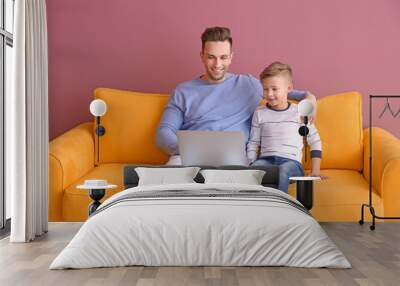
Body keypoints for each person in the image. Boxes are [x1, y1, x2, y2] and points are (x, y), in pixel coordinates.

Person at [156, 26, 317, 165]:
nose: (218, 64)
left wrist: (310, 97)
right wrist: (196, 150)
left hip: (234, 160)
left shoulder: (248, 84)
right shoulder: (183, 91)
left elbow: (284, 92)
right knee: (169, 187)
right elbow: (163, 135)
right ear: (202, 56)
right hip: (188, 158)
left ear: (231, 57)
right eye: (211, 57)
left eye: (223, 57)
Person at [247, 61, 322, 193]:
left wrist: (315, 171)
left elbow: (314, 141)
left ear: (289, 88)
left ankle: (281, 206)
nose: (269, 94)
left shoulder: (300, 112)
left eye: (274, 89)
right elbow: (253, 143)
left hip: (291, 164)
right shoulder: (259, 113)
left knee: (283, 170)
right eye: (265, 89)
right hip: (266, 161)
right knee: (253, 172)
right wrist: (251, 163)